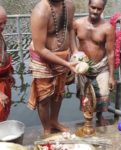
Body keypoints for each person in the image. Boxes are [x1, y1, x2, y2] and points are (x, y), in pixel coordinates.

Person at [27, 0, 78, 137]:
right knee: (44, 97)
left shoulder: (69, 5)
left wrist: (75, 51)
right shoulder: (41, 11)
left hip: (63, 57)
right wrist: (67, 64)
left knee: (59, 92)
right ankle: (46, 128)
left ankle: (54, 121)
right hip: (43, 60)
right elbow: (40, 48)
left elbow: (71, 28)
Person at [73, 0, 116, 126]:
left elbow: (110, 53)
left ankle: (100, 116)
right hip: (83, 66)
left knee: (103, 94)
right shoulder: (78, 24)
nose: (95, 11)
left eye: (99, 9)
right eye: (93, 7)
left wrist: (112, 76)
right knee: (85, 95)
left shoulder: (108, 28)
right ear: (88, 6)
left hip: (101, 66)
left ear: (103, 10)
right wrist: (74, 58)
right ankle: (88, 118)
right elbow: (70, 41)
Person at [0, 6, 14, 122]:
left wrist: (9, 74)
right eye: (0, 23)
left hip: (3, 81)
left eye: (5, 23)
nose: (3, 27)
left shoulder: (1, 36)